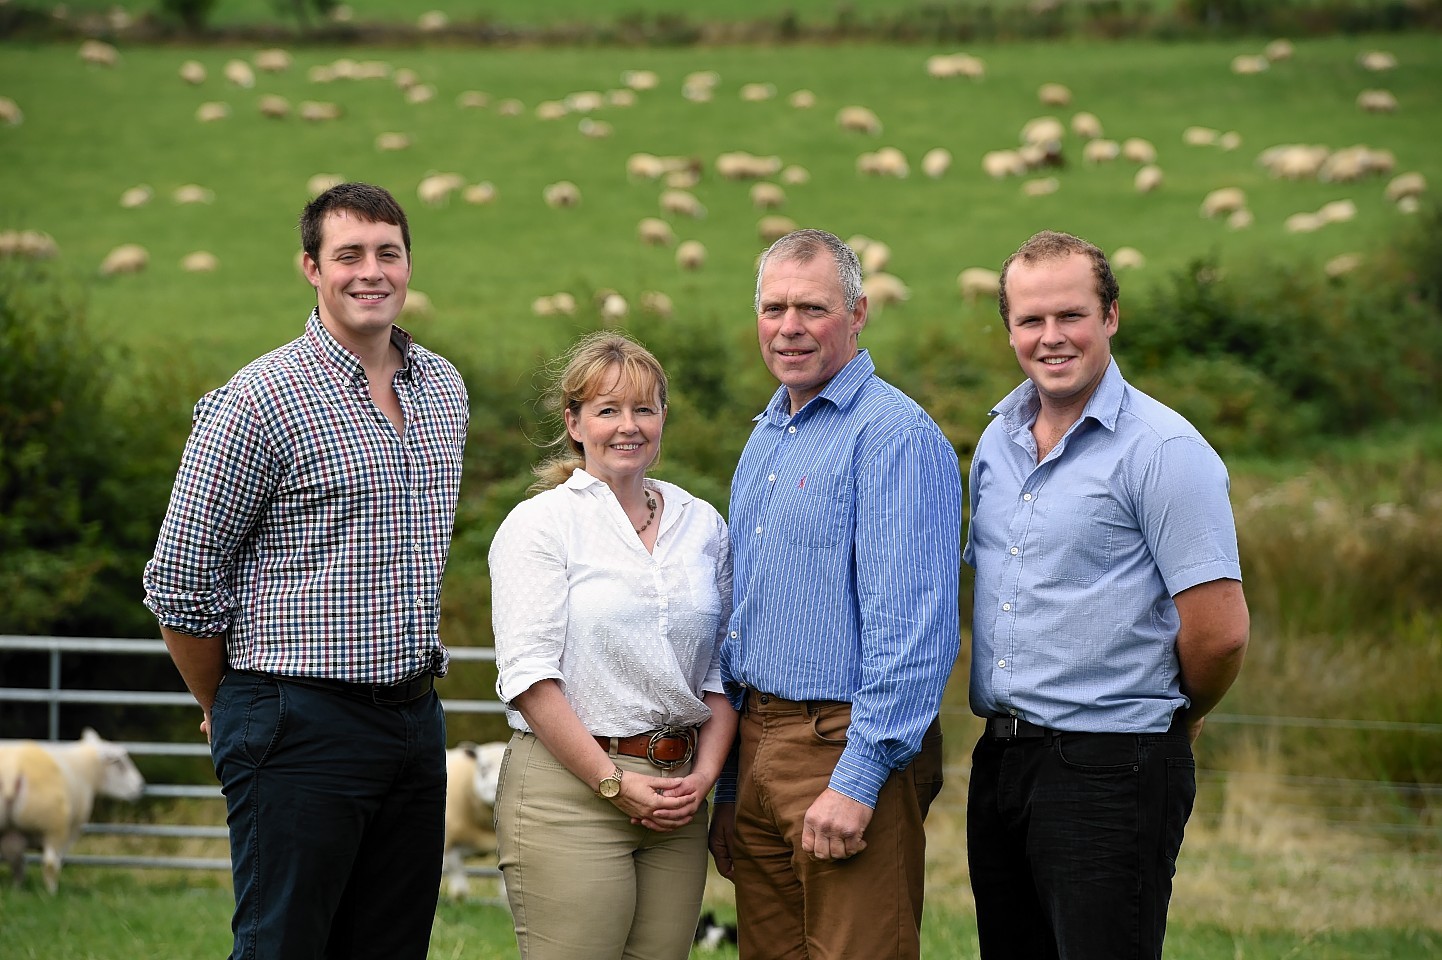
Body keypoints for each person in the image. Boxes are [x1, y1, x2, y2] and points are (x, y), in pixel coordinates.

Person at [142, 182, 468, 960]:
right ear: (311, 268)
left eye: (388, 252)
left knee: (391, 946)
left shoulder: (445, 391)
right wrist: (227, 703)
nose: (370, 271)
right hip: (296, 718)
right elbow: (179, 580)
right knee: (284, 946)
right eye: (347, 254)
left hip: (414, 720)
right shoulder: (259, 399)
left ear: (408, 264)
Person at [964, 230, 1251, 959]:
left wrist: (1177, 716)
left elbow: (1219, 632)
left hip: (1112, 767)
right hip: (1001, 759)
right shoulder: (996, 442)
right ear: (1009, 330)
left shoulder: (1164, 451)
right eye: (1031, 321)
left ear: (1111, 316)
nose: (1051, 337)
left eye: (1072, 316)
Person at [708, 229, 963, 959]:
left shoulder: (894, 437)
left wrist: (859, 779)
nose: (789, 327)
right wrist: (731, 784)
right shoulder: (770, 434)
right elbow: (743, 614)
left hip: (844, 745)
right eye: (773, 307)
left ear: (857, 314)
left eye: (812, 308)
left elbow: (912, 630)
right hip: (758, 744)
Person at [488, 331, 737, 960]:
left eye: (643, 409)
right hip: (572, 792)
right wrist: (611, 782)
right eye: (606, 410)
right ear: (574, 423)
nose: (627, 426)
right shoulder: (542, 525)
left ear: (662, 419)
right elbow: (529, 677)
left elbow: (724, 670)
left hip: (677, 796)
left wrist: (704, 776)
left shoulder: (701, 524)